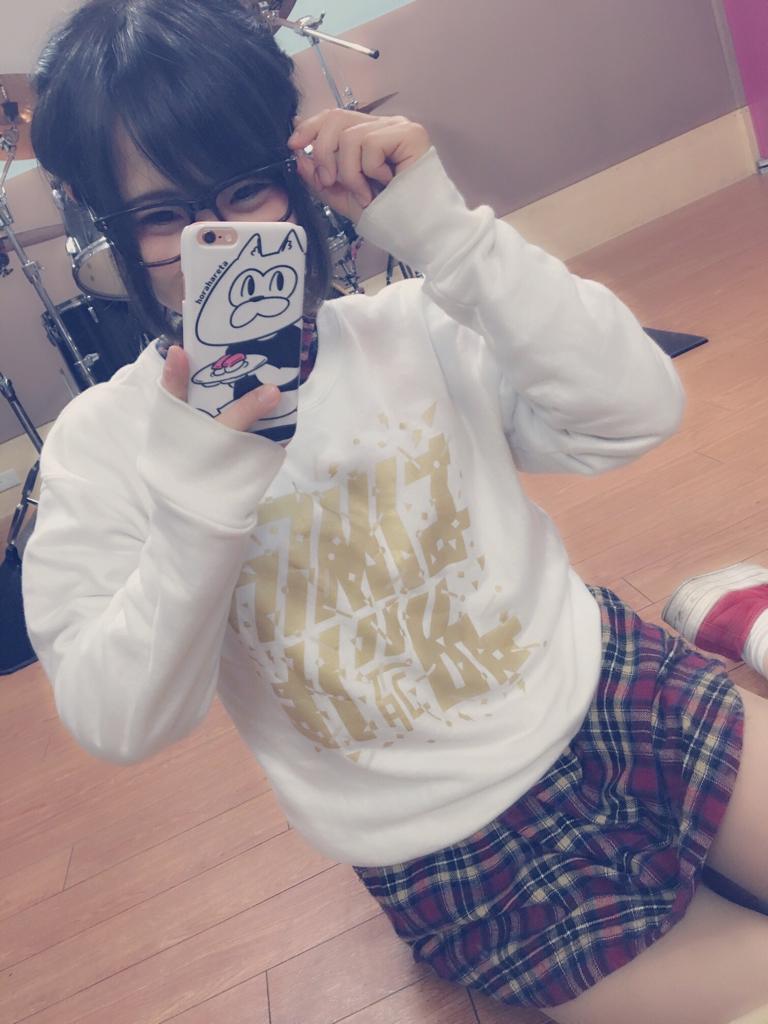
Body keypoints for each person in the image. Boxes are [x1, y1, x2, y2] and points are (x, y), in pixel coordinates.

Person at [21, 1, 768, 1021]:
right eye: (166, 217)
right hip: (455, 844)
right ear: (108, 232)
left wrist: (447, 235)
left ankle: (725, 610)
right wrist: (196, 490)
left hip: (614, 692)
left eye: (245, 189)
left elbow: (636, 412)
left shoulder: (412, 326)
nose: (223, 241)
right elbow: (120, 718)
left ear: (293, 174)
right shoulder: (104, 445)